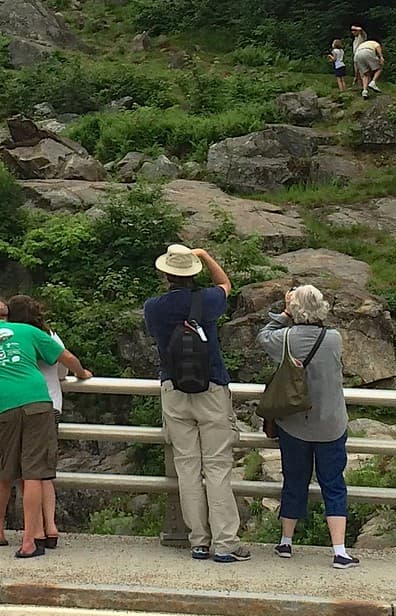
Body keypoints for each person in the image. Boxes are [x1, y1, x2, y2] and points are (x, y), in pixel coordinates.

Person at [142, 243, 249, 565]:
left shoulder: (153, 308)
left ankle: (198, 541)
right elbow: (226, 284)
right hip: (212, 387)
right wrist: (203, 255)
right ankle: (226, 543)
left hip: (174, 389)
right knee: (216, 467)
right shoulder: (208, 300)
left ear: (165, 274)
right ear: (192, 273)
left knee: (187, 467)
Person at [0, 297, 88, 558]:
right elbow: (67, 358)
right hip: (38, 403)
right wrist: (82, 374)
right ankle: (28, 542)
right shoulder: (29, 331)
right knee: (34, 472)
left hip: (3, 406)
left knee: (3, 471)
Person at [258, 283, 359, 569]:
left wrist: (284, 312)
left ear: (294, 309)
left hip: (295, 425)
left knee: (294, 481)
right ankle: (339, 551)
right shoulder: (335, 338)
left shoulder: (285, 339)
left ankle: (286, 542)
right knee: (334, 485)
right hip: (331, 424)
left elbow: (263, 336)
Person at [6, 294, 92, 549]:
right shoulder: (48, 335)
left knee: (26, 472)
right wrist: (82, 373)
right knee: (42, 472)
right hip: (50, 404)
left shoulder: (12, 337)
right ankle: (50, 527)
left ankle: (38, 529)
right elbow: (64, 366)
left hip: (18, 404)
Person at [351, 25, 384, 97]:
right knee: (379, 67)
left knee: (365, 74)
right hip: (367, 52)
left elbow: (362, 32)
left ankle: (364, 91)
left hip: (357, 55)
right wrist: (381, 57)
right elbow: (377, 47)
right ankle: (373, 82)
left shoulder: (362, 40)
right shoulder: (375, 43)